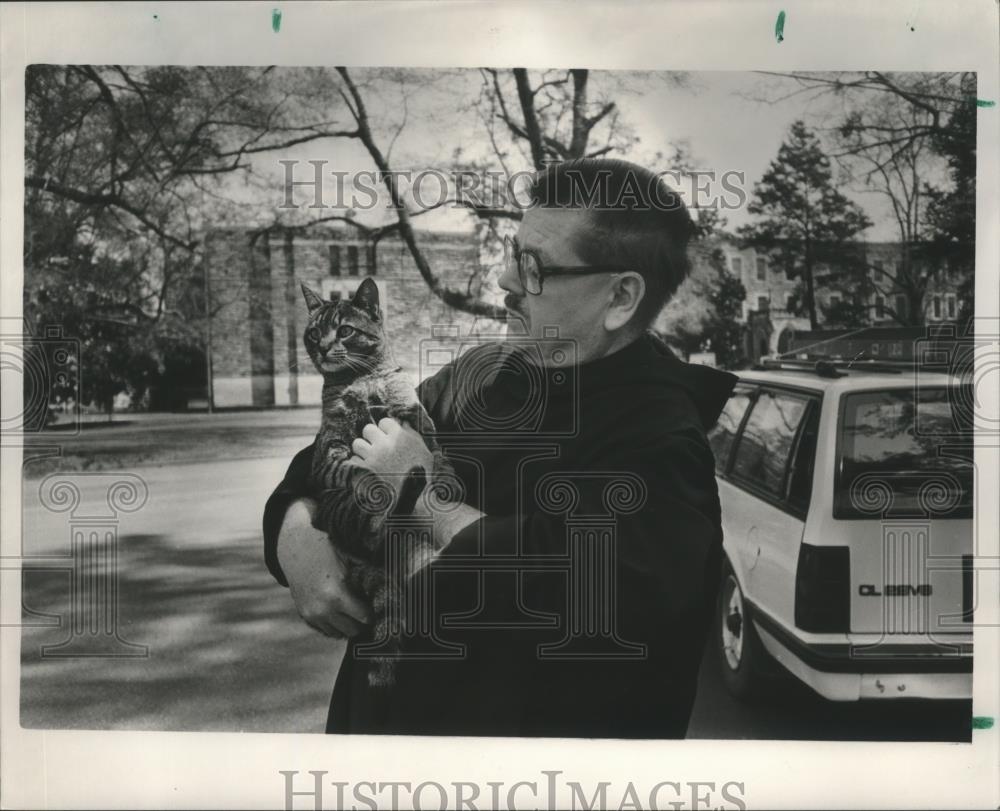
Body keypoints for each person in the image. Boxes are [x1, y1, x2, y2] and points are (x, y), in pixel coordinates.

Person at [262, 158, 737, 738]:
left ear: (620, 298)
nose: (506, 281)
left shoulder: (662, 446)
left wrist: (425, 498)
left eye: (534, 267)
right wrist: (296, 529)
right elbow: (337, 445)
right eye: (514, 253)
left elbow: (575, 593)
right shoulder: (484, 377)